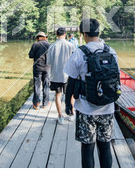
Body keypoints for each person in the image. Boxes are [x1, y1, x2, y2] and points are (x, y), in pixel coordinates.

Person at [64, 19, 119, 168]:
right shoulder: (111, 51)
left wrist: (68, 103)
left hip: (85, 109)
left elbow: (71, 82)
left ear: (84, 33)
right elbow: (116, 78)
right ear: (98, 32)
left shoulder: (80, 53)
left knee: (87, 148)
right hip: (107, 108)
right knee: (105, 146)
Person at [46, 27, 75, 124]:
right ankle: (71, 113)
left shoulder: (52, 46)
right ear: (65, 34)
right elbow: (75, 61)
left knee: (57, 95)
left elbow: (48, 62)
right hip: (68, 75)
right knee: (71, 95)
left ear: (56, 35)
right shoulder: (71, 45)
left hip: (56, 75)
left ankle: (60, 116)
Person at [28, 31, 50, 110]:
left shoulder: (35, 45)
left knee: (37, 85)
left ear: (37, 38)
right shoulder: (49, 45)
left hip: (37, 68)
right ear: (45, 37)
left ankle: (36, 103)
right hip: (47, 68)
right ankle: (45, 103)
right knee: (46, 85)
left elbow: (30, 55)